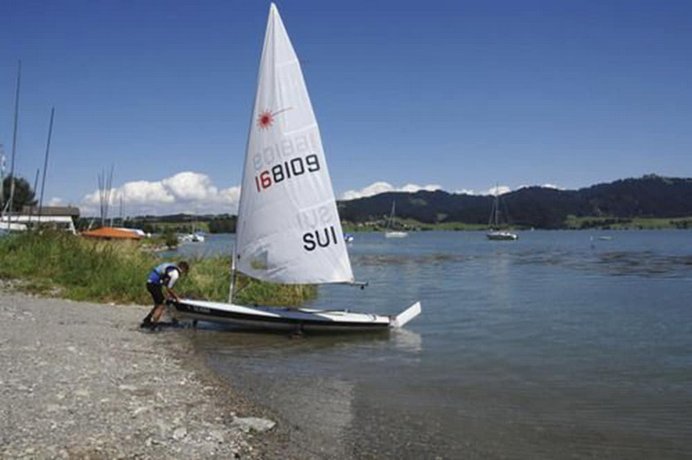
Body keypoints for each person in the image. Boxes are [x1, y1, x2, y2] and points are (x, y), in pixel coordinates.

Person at [140, 261, 189, 329]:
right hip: (154, 284)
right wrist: (176, 298)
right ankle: (154, 325)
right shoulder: (175, 274)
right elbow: (169, 288)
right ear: (183, 269)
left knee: (158, 303)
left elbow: (165, 283)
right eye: (185, 271)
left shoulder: (172, 268)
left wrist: (170, 296)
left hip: (150, 283)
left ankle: (147, 319)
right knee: (161, 305)